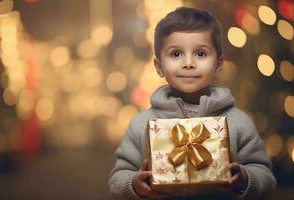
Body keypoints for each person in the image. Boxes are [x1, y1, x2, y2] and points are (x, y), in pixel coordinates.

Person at [109, 6, 276, 200]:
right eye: (176, 54)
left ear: (219, 64)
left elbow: (266, 179)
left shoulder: (238, 122)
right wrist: (134, 185)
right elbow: (117, 180)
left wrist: (245, 179)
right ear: (159, 66)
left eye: (200, 53)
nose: (188, 63)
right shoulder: (140, 125)